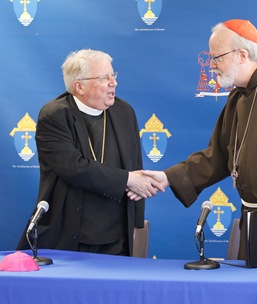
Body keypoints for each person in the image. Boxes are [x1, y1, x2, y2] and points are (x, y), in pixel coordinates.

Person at [130, 19, 257, 259]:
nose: (212, 65)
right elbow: (217, 156)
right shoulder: (239, 96)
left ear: (241, 54)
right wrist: (167, 177)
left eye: (216, 58)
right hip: (253, 217)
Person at [17, 49, 164, 256]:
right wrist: (128, 180)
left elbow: (135, 164)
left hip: (117, 238)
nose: (114, 83)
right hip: (71, 235)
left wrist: (136, 223)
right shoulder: (55, 115)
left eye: (114, 75)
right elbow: (73, 167)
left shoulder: (124, 111)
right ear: (79, 86)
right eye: (104, 78)